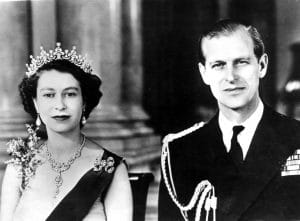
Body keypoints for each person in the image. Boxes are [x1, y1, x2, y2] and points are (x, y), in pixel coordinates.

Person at [158, 19, 300, 221]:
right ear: (204, 73)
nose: (231, 77)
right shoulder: (179, 152)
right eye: (218, 65)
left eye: (241, 62)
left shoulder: (296, 138)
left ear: (261, 65)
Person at [0, 43, 133, 221]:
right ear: (36, 103)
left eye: (70, 94)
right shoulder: (20, 167)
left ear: (84, 102)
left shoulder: (110, 168)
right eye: (49, 95)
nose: (60, 105)